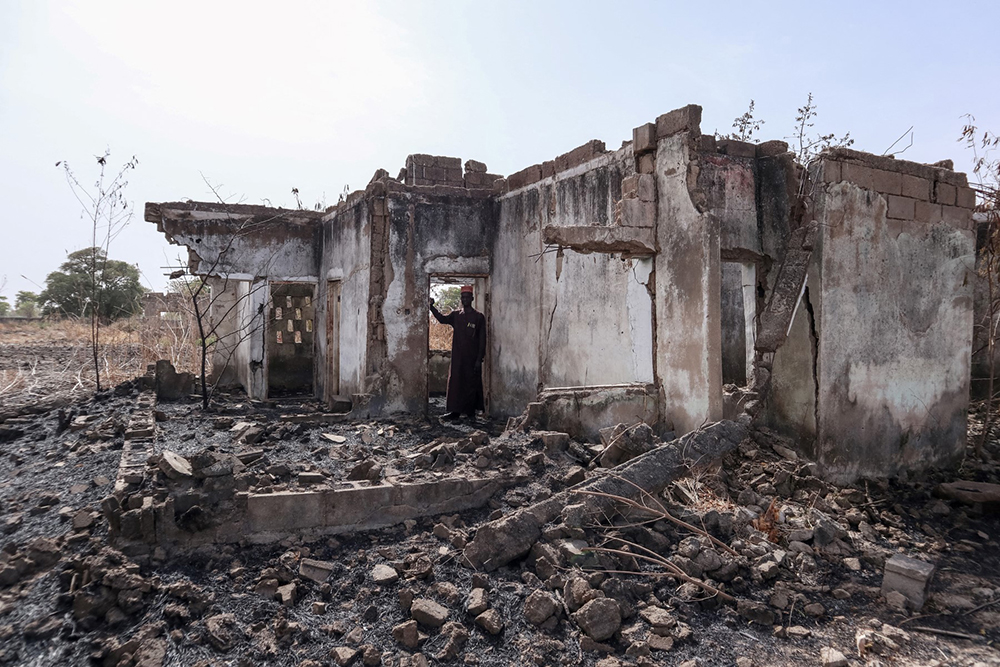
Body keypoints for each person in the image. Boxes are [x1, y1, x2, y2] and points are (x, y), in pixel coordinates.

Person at [429, 285, 486, 420]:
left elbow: (483, 340)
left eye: (467, 297)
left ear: (472, 298)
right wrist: (431, 307)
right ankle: (455, 412)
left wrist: (479, 359)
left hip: (472, 358)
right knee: (456, 383)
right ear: (461, 299)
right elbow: (442, 319)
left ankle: (471, 413)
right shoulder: (456, 316)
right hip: (458, 357)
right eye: (463, 297)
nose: (465, 299)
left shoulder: (478, 317)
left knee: (471, 384)